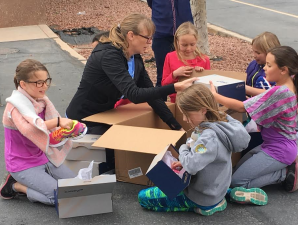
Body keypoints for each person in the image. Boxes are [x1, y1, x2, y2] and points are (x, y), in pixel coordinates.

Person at [138, 84, 268, 216]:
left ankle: (207, 207)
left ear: (203, 110)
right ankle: (225, 194)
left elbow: (191, 165)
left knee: (143, 198)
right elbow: (204, 157)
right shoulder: (222, 120)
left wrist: (184, 148)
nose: (184, 119)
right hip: (217, 187)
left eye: (187, 114)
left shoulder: (208, 138)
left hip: (201, 196)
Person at [66, 14, 197, 134]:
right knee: (116, 155)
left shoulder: (135, 56)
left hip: (105, 115)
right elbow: (134, 94)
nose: (150, 42)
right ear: (131, 35)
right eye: (147, 37)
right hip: (82, 120)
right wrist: (175, 87)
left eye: (151, 38)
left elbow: (151, 94)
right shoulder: (109, 56)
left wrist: (175, 126)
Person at [211, 46, 298, 192]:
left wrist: (214, 95)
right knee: (237, 168)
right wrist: (241, 88)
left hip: (279, 150)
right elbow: (265, 96)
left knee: (236, 183)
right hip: (273, 144)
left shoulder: (281, 92)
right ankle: (284, 166)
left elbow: (241, 107)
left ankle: (284, 173)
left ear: (283, 70)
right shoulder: (287, 86)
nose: (264, 68)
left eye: (269, 65)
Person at [0, 59, 85, 205]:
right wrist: (58, 121)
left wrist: (69, 131)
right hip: (22, 164)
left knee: (78, 188)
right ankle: (15, 186)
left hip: (44, 157)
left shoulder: (41, 101)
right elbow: (31, 129)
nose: (44, 86)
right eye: (38, 82)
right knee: (61, 198)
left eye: (46, 81)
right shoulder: (14, 106)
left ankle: (34, 182)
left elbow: (49, 134)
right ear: (23, 84)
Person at [147, 0, 193, 88]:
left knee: (188, 70)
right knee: (162, 72)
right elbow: (151, 3)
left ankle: (187, 99)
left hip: (184, 32)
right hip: (161, 31)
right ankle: (161, 100)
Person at [161, 22, 210, 103]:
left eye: (192, 44)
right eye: (184, 45)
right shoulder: (170, 57)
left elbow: (209, 87)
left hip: (198, 103)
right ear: (177, 42)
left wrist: (201, 74)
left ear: (196, 41)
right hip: (177, 102)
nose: (188, 48)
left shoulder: (204, 60)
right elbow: (164, 85)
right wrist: (174, 74)